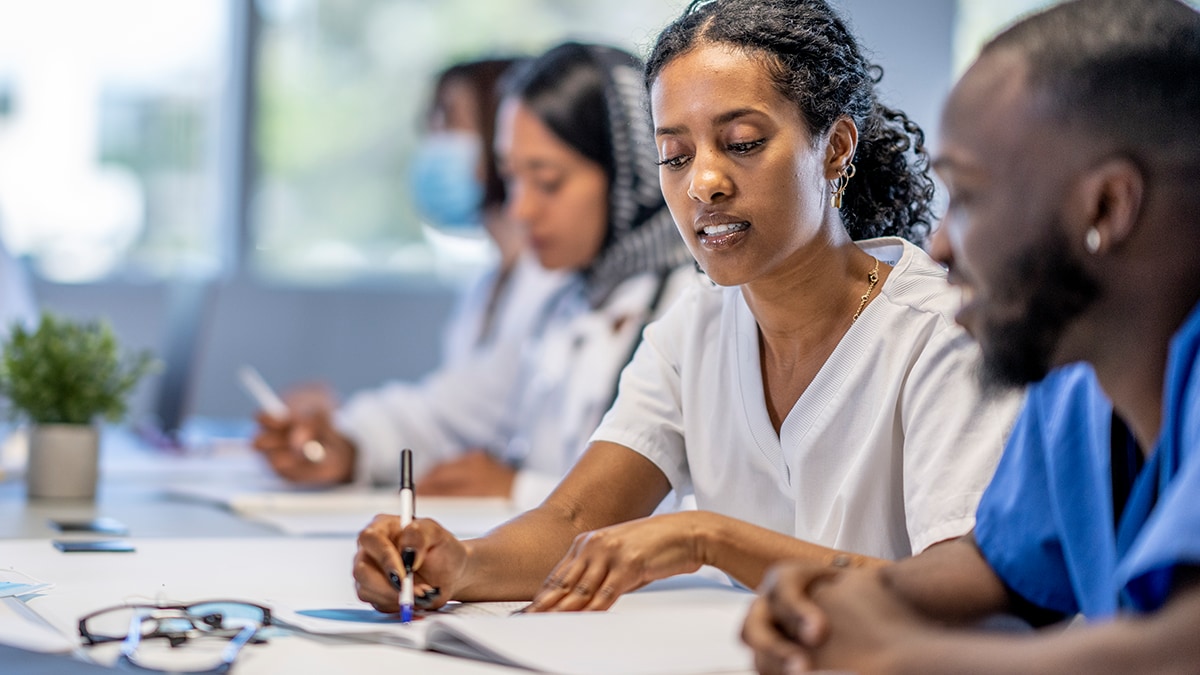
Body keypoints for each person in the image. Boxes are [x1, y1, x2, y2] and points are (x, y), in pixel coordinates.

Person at [352, 0, 1021, 615]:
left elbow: (961, 590)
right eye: (674, 155)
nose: (704, 183)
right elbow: (571, 521)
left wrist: (708, 536)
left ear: (835, 147)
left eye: (743, 143)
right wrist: (460, 563)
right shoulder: (692, 331)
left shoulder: (943, 334)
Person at [740, 0, 1200, 672]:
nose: (943, 244)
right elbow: (1001, 565)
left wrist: (906, 656)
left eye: (970, 197)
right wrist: (842, 596)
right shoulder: (1077, 377)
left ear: (1107, 205)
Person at [255, 44, 698, 508]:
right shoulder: (568, 302)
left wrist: (518, 490)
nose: (520, 209)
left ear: (633, 175)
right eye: (512, 178)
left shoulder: (689, 307)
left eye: (547, 182)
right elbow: (447, 414)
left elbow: (700, 511)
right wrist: (347, 445)